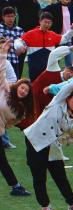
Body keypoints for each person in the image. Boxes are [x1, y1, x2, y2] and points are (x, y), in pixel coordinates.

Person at [24, 77, 73, 210]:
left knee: (61, 176)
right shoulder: (58, 102)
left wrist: (63, 140)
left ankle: (72, 204)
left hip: (53, 146)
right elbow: (70, 85)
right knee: (39, 176)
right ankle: (45, 207)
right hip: (35, 141)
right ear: (68, 98)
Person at [0, 42, 31, 197]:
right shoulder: (5, 89)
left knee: (2, 161)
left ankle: (16, 187)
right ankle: (16, 186)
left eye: (26, 90)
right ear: (17, 86)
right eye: (22, 87)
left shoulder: (21, 111)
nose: (23, 91)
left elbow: (11, 123)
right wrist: (3, 53)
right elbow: (1, 71)